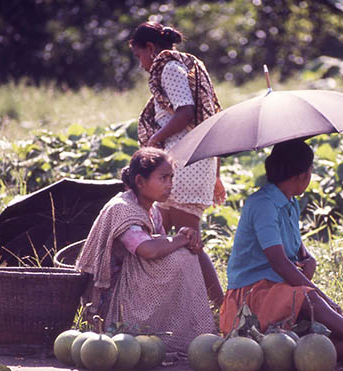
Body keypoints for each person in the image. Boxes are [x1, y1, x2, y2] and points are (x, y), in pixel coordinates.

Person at [219, 139, 343, 363]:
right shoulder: (262, 204)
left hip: (277, 292)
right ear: (302, 175)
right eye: (311, 171)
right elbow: (280, 263)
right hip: (251, 301)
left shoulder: (290, 203)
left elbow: (297, 248)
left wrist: (308, 258)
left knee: (340, 348)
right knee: (310, 298)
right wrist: (323, 297)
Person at [75, 147, 216, 353]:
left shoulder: (152, 210)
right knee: (182, 256)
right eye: (163, 178)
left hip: (135, 286)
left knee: (184, 254)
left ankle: (181, 328)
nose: (170, 185)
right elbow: (148, 250)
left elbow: (160, 242)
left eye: (171, 178)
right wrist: (181, 239)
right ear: (140, 181)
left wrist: (184, 236)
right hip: (115, 299)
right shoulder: (123, 209)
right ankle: (156, 330)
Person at [129, 21, 224, 307]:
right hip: (188, 161)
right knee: (161, 235)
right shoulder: (183, 65)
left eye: (139, 56)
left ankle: (222, 309)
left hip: (185, 163)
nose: (142, 65)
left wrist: (153, 142)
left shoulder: (168, 67)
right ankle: (169, 305)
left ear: (150, 48)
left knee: (191, 242)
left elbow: (186, 112)